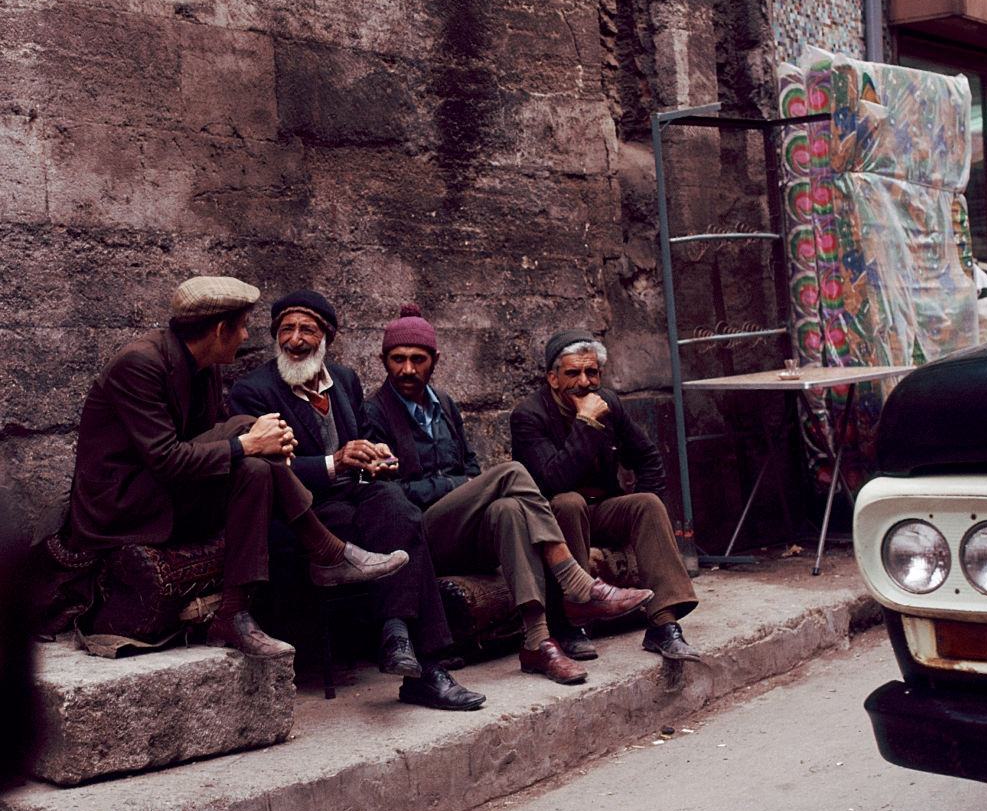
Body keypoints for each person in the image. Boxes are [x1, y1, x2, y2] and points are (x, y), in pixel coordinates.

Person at [63, 276, 408, 659]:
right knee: (247, 431)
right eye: (242, 327)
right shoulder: (139, 364)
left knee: (256, 468)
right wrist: (249, 442)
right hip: (121, 505)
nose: (246, 336)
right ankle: (326, 550)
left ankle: (234, 614)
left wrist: (254, 446)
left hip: (169, 489)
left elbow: (211, 443)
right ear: (220, 330)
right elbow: (165, 458)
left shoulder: (205, 366)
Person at [364, 305, 654, 685]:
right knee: (512, 472)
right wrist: (457, 486)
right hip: (420, 535)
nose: (407, 369)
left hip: (464, 529)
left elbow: (469, 466)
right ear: (383, 360)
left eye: (417, 359)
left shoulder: (444, 405)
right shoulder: (374, 413)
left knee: (508, 509)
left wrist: (465, 484)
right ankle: (576, 581)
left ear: (435, 360)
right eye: (397, 359)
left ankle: (537, 642)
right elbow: (386, 492)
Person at [229, 289, 485, 711]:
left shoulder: (344, 380)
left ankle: (399, 638)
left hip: (354, 496)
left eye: (307, 330)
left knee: (398, 506)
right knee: (398, 523)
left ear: (326, 338)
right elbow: (268, 470)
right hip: (303, 514)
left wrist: (375, 460)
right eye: (286, 330)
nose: (295, 339)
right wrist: (335, 463)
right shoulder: (254, 391)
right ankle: (422, 660)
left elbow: (360, 448)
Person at [509, 329, 701, 661]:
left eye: (592, 372)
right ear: (553, 378)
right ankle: (570, 622)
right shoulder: (529, 416)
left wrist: (640, 529)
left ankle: (663, 623)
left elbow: (648, 457)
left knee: (647, 503)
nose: (584, 382)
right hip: (554, 522)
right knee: (569, 502)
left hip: (602, 510)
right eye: (573, 373)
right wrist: (585, 422)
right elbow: (554, 480)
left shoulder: (608, 403)